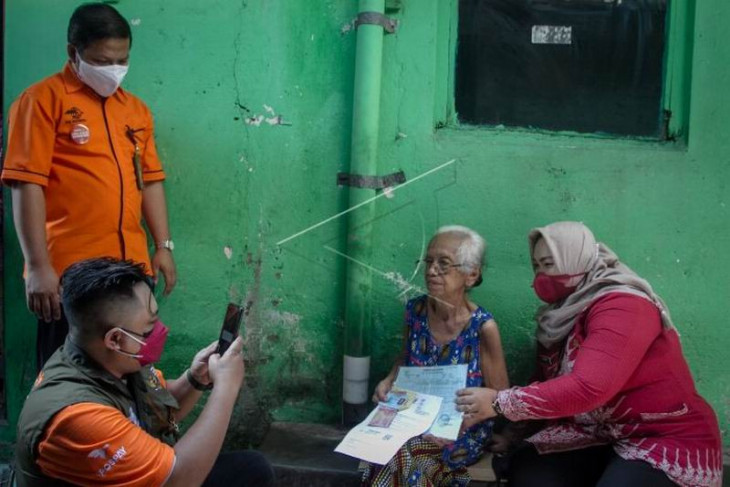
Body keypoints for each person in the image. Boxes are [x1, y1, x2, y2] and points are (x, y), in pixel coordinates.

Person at [456, 221, 723, 487]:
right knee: (530, 475)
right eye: (536, 266)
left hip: (660, 435)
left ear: (577, 257)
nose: (540, 277)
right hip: (593, 434)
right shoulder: (558, 318)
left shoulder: (625, 306)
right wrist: (512, 435)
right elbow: (546, 384)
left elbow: (590, 387)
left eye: (549, 264)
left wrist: (498, 403)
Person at [1, 3, 176, 369]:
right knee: (67, 374)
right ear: (73, 52)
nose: (113, 70)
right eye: (101, 61)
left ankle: (127, 428)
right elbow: (26, 184)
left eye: (122, 60)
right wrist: (37, 266)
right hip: (70, 275)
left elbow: (151, 181)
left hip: (131, 270)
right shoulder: (41, 102)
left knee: (130, 369)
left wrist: (162, 246)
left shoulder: (135, 110)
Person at [13, 258, 274, 487]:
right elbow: (177, 481)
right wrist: (226, 389)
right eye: (149, 325)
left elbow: (157, 409)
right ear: (115, 339)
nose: (161, 330)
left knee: (249, 469)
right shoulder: (76, 417)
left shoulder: (116, 358)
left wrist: (194, 379)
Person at [362, 225, 509, 486]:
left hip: (461, 428)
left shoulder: (482, 327)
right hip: (411, 419)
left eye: (444, 263)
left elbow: (502, 397)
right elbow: (404, 358)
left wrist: (459, 423)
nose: (431, 270)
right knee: (380, 449)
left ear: (471, 274)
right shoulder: (415, 311)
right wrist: (388, 380)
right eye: (429, 261)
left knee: (408, 456)